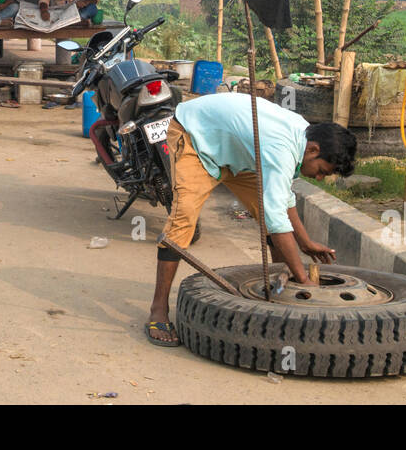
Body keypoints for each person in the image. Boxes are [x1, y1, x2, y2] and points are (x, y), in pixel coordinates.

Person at [145, 92, 356, 346]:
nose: (319, 178)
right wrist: (305, 279)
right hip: (195, 139)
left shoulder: (303, 136)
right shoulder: (282, 148)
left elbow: (282, 199)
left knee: (270, 218)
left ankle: (282, 296)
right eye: (322, 171)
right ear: (313, 150)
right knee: (183, 223)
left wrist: (305, 243)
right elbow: (278, 216)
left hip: (236, 156)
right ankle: (158, 309)